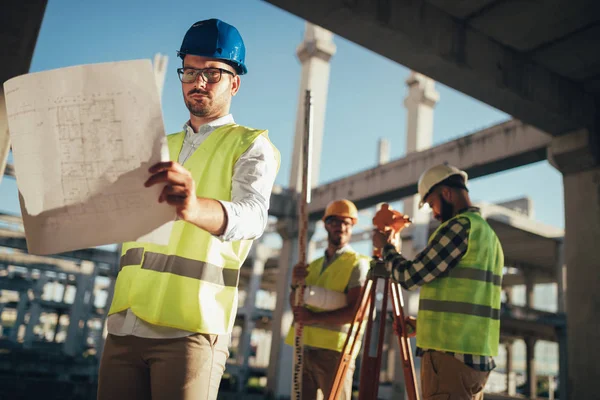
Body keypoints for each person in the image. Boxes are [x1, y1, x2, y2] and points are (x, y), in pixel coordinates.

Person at [97, 18, 280, 400]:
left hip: (190, 330)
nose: (199, 82)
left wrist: (194, 207)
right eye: (191, 72)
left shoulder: (251, 145)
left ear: (235, 83)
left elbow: (252, 216)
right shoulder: (158, 143)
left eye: (213, 73)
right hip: (124, 325)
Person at [373, 164, 504, 400]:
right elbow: (467, 304)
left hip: (450, 363)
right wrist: (422, 326)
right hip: (474, 362)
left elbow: (410, 276)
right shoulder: (488, 235)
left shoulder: (459, 227)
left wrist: (386, 248)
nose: (434, 213)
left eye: (432, 204)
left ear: (446, 194)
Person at [286, 199, 370, 400]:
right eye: (334, 222)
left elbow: (357, 313)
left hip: (336, 352)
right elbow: (296, 305)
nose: (340, 227)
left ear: (352, 227)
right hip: (305, 348)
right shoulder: (311, 266)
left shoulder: (357, 264)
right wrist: (295, 284)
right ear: (325, 225)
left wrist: (313, 318)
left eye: (346, 222)